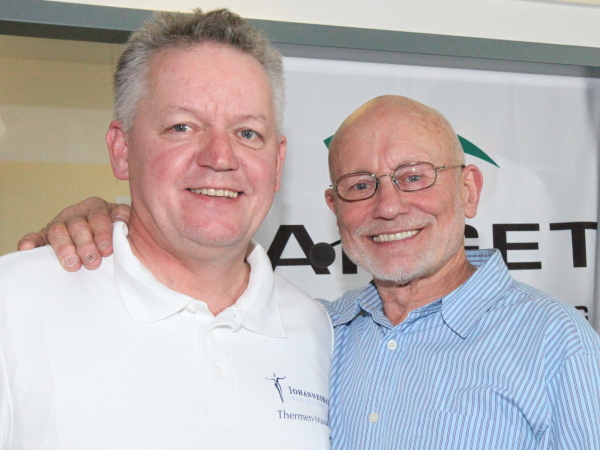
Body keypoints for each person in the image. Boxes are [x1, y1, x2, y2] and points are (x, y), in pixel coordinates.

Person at [18, 96, 600, 449]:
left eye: (414, 176)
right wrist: (118, 219)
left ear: (468, 189)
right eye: (359, 185)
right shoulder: (314, 331)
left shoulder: (558, 345)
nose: (389, 206)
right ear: (334, 208)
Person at [0, 9, 332, 449]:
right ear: (122, 150)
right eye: (182, 126)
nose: (220, 157)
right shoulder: (15, 302)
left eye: (248, 133)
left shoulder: (315, 330)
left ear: (277, 163)